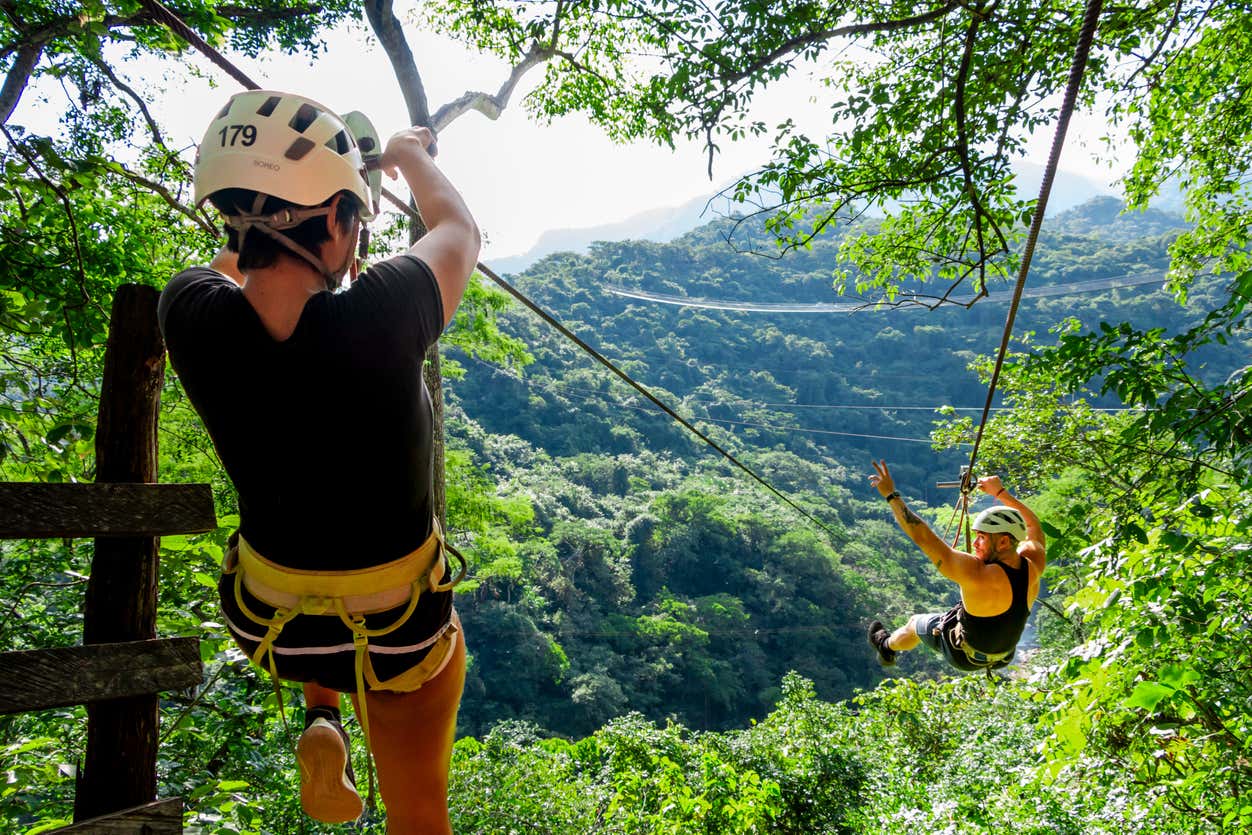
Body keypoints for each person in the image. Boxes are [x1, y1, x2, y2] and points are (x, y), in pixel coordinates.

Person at [158, 90, 480, 833]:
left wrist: (267, 217)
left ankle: (322, 711)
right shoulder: (385, 311)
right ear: (335, 221)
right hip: (396, 628)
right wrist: (405, 154)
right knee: (421, 806)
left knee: (306, 527)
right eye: (354, 219)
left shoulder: (190, 314)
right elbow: (459, 229)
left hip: (273, 622)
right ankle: (350, 729)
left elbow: (226, 269)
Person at [865, 460, 1046, 672]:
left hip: (963, 655)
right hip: (1004, 656)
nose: (976, 544)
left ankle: (885, 647)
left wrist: (891, 495)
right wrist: (1001, 492)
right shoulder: (1033, 562)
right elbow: (1033, 525)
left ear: (1004, 542)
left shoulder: (976, 572)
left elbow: (922, 536)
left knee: (915, 622)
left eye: (982, 538)